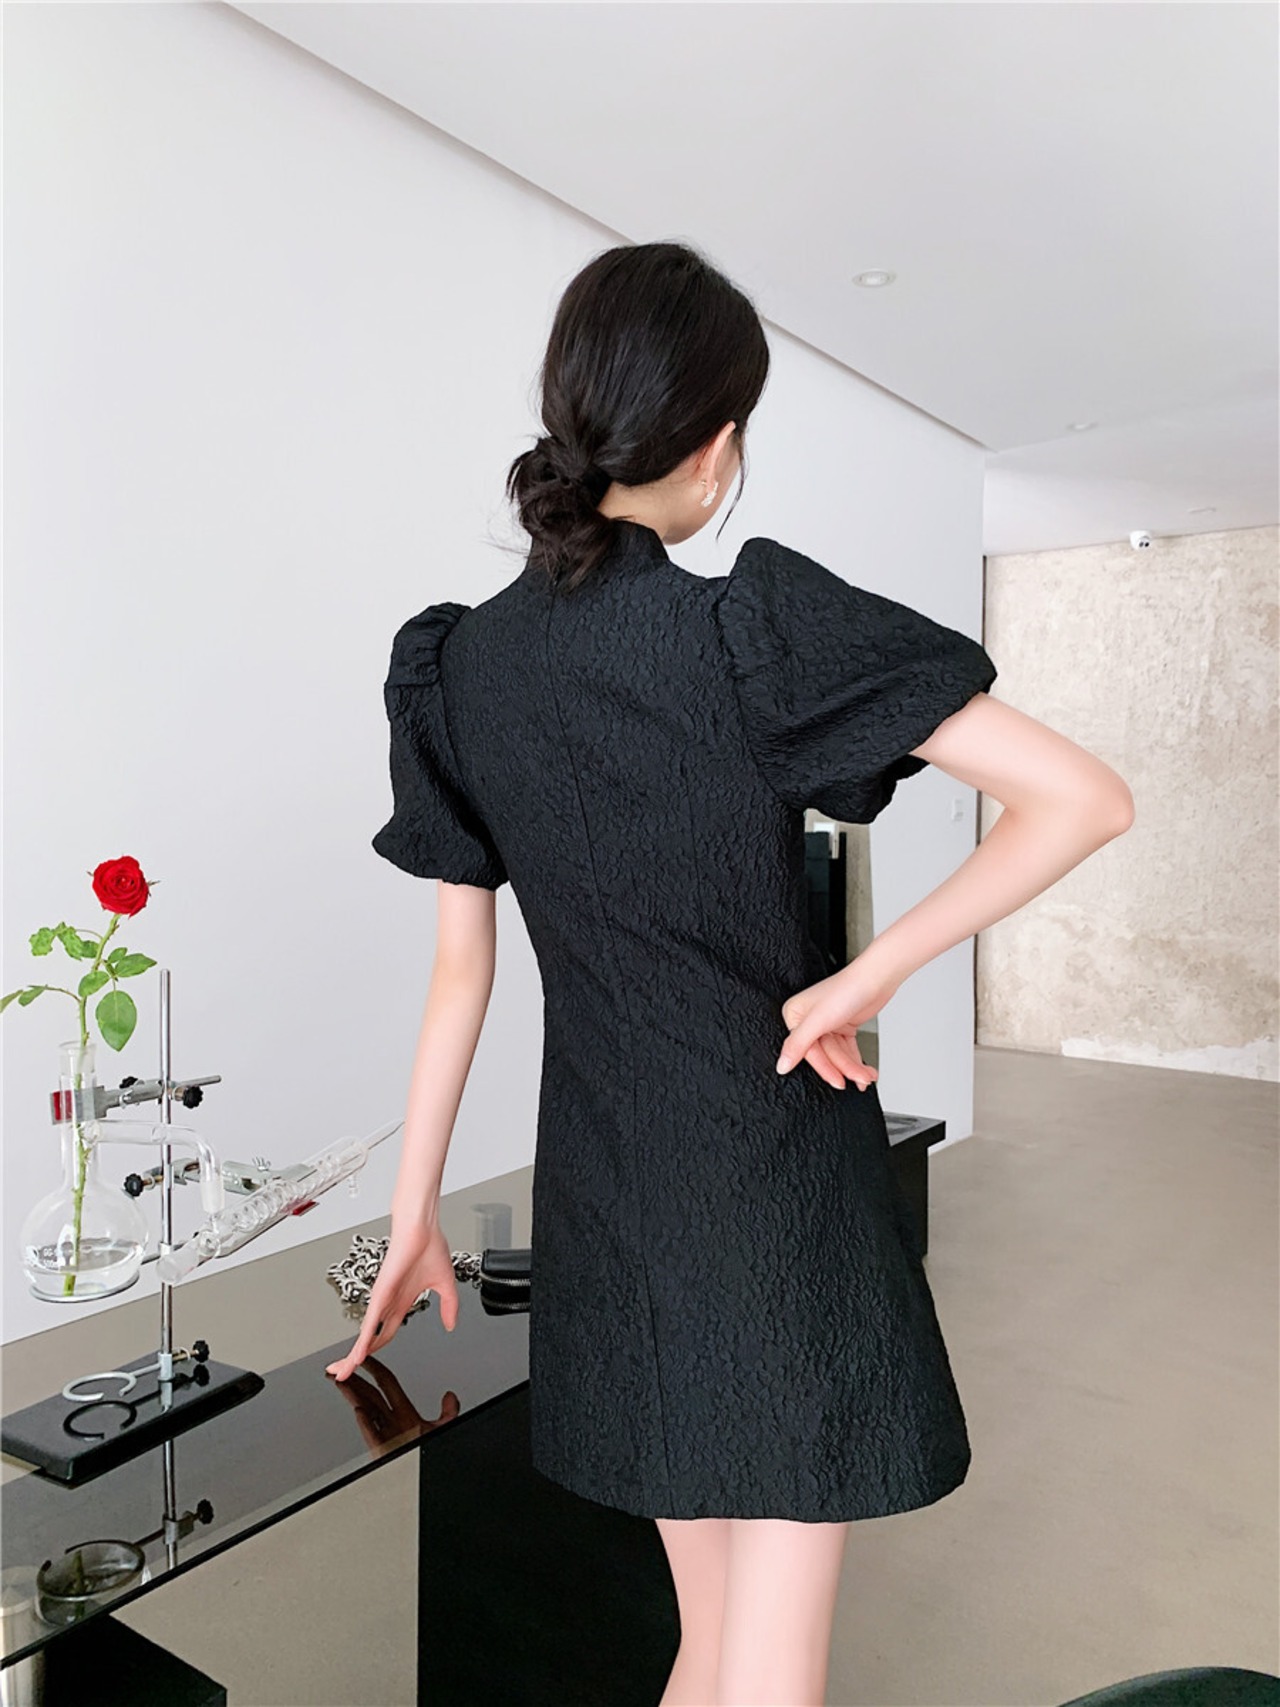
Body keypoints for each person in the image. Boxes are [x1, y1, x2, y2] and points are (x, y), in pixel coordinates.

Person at [327, 240, 1135, 1707]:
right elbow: (1084, 800)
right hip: (769, 1183)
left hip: (604, 1188)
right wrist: (865, 978)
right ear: (717, 441)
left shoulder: (454, 668)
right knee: (768, 1666)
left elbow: (460, 976)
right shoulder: (745, 625)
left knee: (710, 1639)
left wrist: (412, 1215)